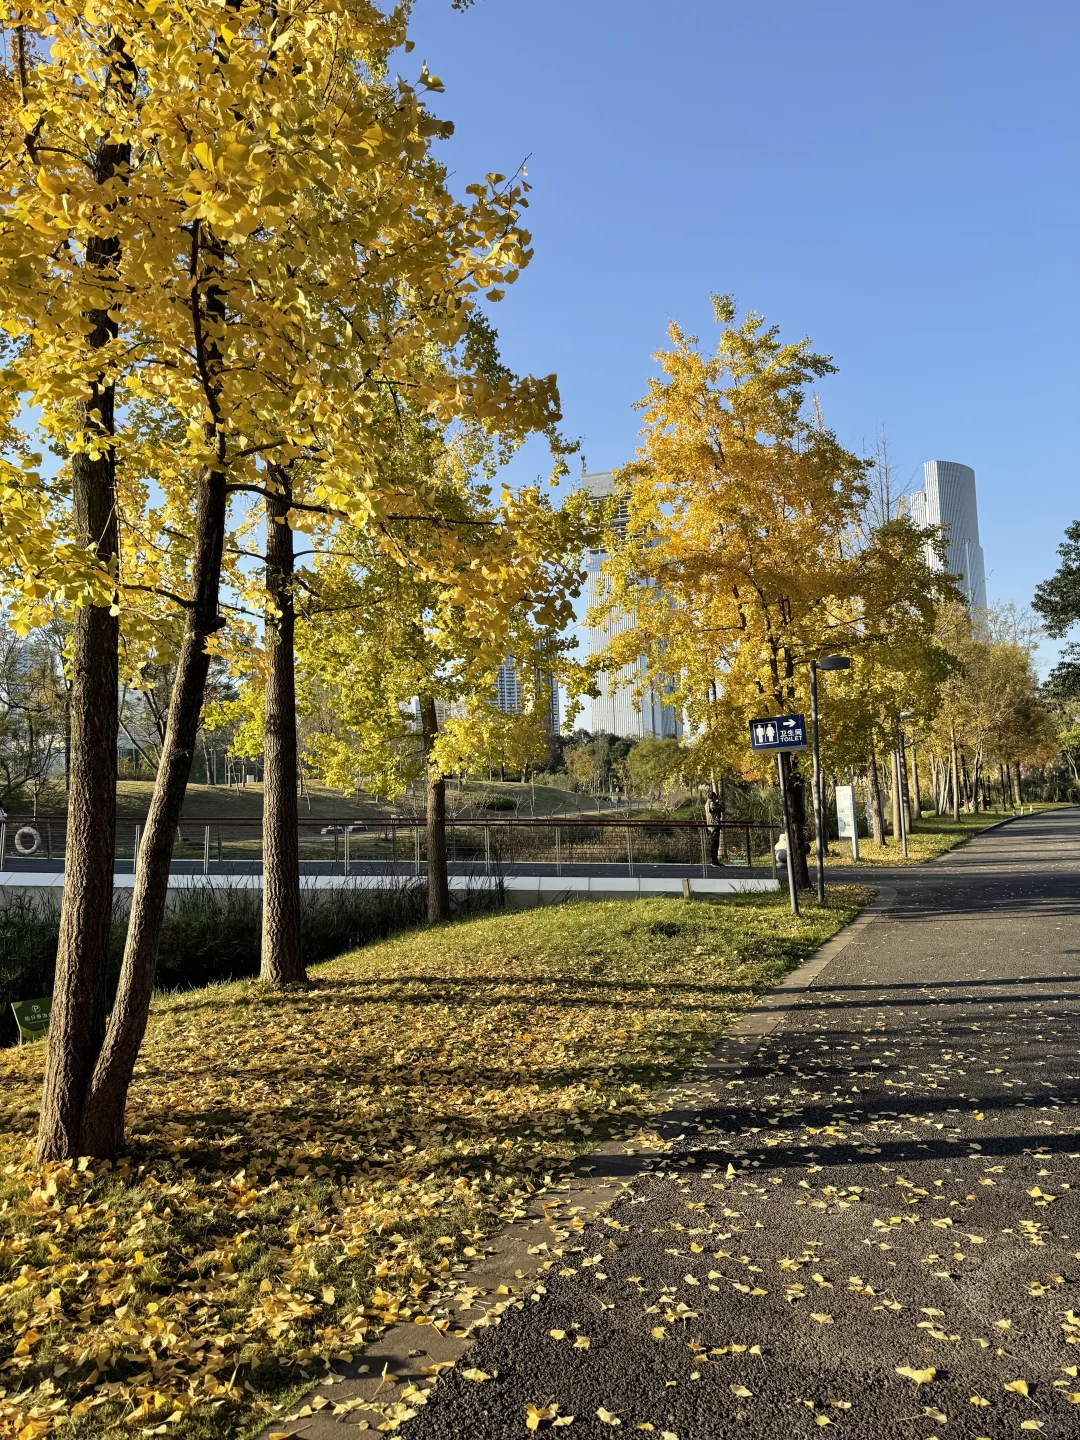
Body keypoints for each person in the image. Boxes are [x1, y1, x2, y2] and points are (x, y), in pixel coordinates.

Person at [706, 789, 724, 865]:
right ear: (713, 797)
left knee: (714, 843)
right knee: (715, 844)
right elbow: (722, 809)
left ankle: (714, 860)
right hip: (714, 826)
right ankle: (714, 861)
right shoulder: (712, 804)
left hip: (711, 825)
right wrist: (718, 803)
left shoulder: (707, 803)